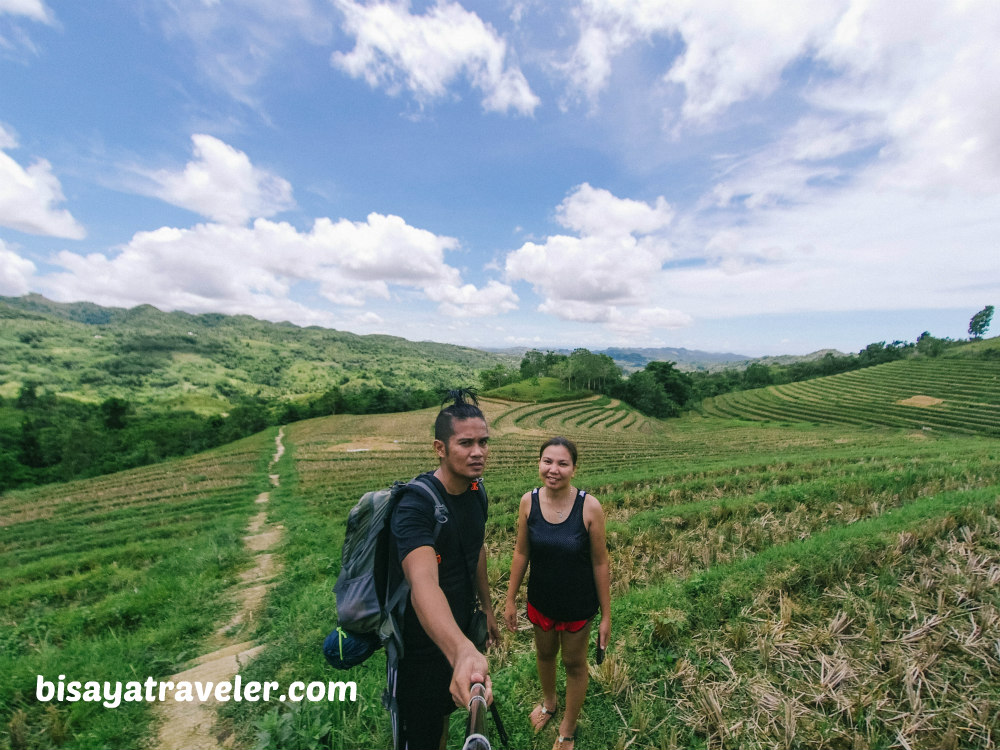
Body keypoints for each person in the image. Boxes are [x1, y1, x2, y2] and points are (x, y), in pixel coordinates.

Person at [389, 389, 501, 750]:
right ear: (440, 448)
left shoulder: (475, 490)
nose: (478, 452)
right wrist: (461, 650)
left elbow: (476, 549)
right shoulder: (415, 505)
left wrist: (486, 606)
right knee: (422, 734)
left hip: (462, 627)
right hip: (421, 644)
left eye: (483, 441)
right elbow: (424, 586)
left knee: (443, 717)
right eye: (466, 443)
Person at [503, 437, 611, 750]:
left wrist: (606, 615)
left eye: (562, 463)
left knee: (575, 664)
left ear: (574, 469)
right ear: (539, 464)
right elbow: (521, 552)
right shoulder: (529, 502)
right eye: (547, 461)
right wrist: (510, 599)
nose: (554, 469)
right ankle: (549, 702)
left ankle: (568, 726)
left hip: (578, 607)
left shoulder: (589, 507)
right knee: (545, 654)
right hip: (541, 602)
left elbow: (600, 562)